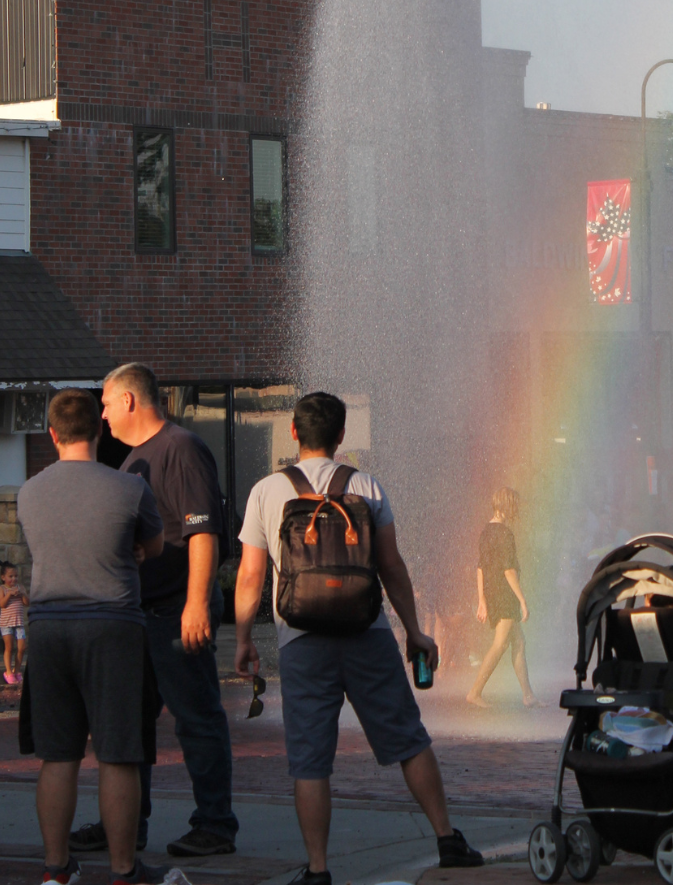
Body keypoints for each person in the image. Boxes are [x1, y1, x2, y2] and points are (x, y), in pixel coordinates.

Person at [234, 391, 484, 885]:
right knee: (409, 740)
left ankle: (318, 869)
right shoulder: (366, 485)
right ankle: (446, 839)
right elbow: (391, 566)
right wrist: (414, 631)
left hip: (299, 639)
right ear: (342, 435)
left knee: (310, 759)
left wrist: (245, 640)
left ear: (293, 432)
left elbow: (250, 576)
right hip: (368, 634)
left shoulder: (266, 491)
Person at [70, 363, 238, 859]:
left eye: (104, 403)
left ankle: (214, 824)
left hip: (173, 611)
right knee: (127, 724)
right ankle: (124, 822)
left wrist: (196, 604)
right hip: (137, 613)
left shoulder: (180, 448)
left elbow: (203, 532)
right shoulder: (134, 460)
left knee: (197, 717)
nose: (100, 414)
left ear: (128, 401)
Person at [16, 388, 164, 885]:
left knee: (57, 754)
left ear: (52, 434)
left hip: (48, 625)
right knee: (119, 752)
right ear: (99, 431)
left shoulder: (28, 492)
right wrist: (133, 552)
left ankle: (55, 869)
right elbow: (154, 544)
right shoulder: (129, 489)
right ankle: (123, 870)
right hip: (113, 624)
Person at [466, 487, 536, 709]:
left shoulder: (486, 531)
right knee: (501, 643)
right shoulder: (505, 533)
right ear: (507, 506)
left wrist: (482, 600)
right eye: (514, 505)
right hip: (505, 594)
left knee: (519, 641)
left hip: (492, 592)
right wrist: (523, 600)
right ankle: (475, 692)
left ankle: (528, 695)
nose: (516, 510)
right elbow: (508, 570)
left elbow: (480, 568)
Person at [0, 563, 29, 686]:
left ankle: (17, 671)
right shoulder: (2, 589)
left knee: (22, 648)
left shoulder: (20, 587)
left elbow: (27, 603)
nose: (13, 579)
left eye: (16, 576)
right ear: (3, 577)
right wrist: (9, 594)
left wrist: (22, 594)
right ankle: (9, 672)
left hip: (19, 622)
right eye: (10, 576)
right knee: (9, 647)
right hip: (6, 623)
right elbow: (2, 604)